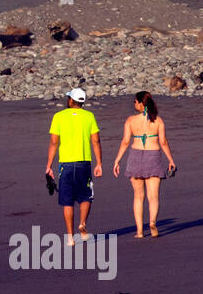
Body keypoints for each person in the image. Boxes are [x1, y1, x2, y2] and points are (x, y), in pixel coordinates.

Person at [112, 91, 177, 238]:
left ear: (141, 103)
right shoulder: (158, 120)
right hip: (153, 156)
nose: (134, 104)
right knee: (153, 196)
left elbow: (125, 142)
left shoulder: (131, 120)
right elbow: (163, 142)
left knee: (138, 196)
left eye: (135, 102)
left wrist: (117, 160)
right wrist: (171, 159)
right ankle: (152, 222)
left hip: (135, 156)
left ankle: (140, 231)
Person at [45, 87, 103, 246]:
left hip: (66, 164)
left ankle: (70, 237)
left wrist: (49, 165)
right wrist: (99, 163)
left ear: (71, 100)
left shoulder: (59, 116)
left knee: (67, 201)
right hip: (84, 162)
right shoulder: (89, 116)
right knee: (86, 196)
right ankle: (82, 223)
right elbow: (96, 141)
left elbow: (54, 142)